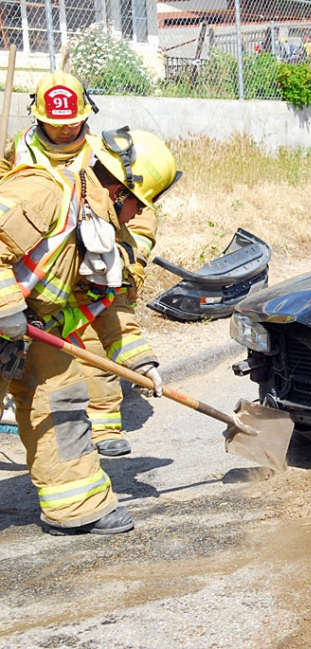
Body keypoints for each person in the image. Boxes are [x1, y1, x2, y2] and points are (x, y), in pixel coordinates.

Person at [0, 126, 180, 535]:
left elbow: (106, 300)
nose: (139, 216)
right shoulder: (44, 192)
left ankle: (77, 505)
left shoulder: (96, 220)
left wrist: (142, 361)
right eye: (140, 204)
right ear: (119, 190)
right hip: (9, 319)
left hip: (30, 328)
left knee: (62, 401)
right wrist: (7, 308)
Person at [2, 71, 159, 458]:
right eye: (55, 124)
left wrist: (125, 268)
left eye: (72, 121)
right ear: (38, 117)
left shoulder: (104, 156)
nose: (64, 130)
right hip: (32, 264)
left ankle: (104, 425)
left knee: (91, 345)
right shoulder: (20, 151)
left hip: (87, 266)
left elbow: (136, 220)